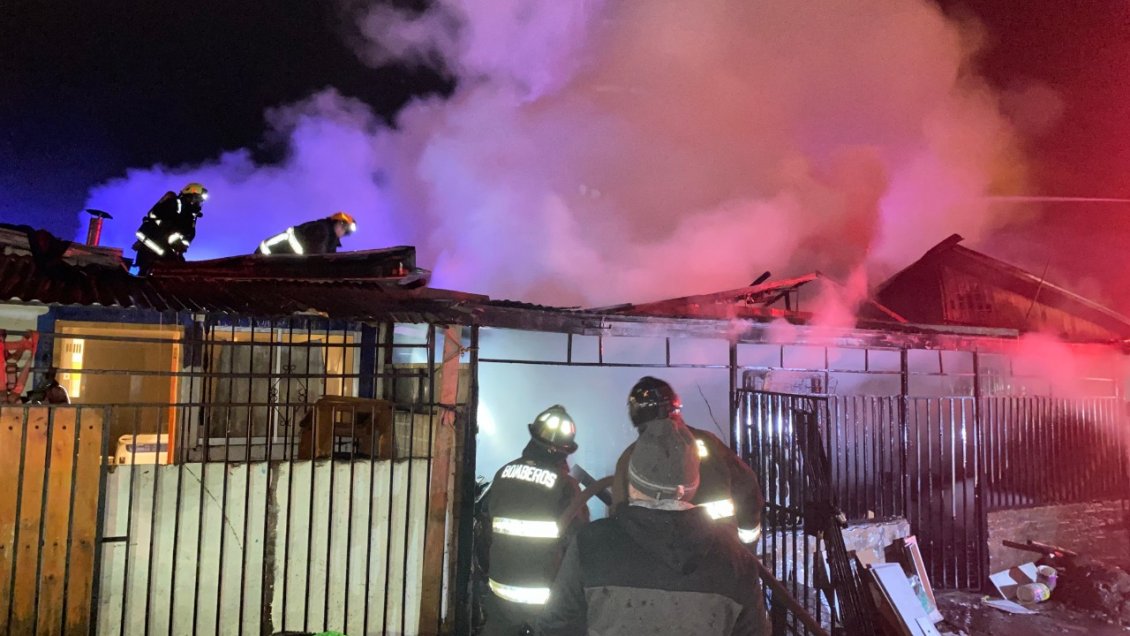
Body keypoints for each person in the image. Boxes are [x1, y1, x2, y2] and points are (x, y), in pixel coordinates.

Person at [538, 418, 769, 635]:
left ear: (632, 481)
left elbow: (555, 627)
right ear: (692, 486)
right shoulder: (737, 563)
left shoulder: (589, 545)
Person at [611, 376, 764, 546]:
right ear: (676, 408)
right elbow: (747, 486)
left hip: (664, 561)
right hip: (721, 552)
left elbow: (620, 513)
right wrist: (745, 547)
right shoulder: (710, 443)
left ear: (635, 415)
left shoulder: (632, 458)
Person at [478, 405, 588, 635]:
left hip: (499, 607)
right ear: (564, 451)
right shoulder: (565, 486)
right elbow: (581, 544)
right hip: (544, 613)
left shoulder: (503, 473)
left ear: (534, 436)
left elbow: (484, 526)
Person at [132, 182, 207, 275]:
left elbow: (185, 236)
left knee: (177, 271)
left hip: (165, 249)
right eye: (198, 199)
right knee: (144, 274)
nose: (198, 203)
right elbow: (156, 217)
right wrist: (172, 235)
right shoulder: (173, 204)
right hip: (152, 244)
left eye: (200, 201)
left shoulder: (190, 216)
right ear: (190, 196)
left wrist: (180, 248)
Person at [256, 211, 356, 255]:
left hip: (280, 260)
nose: (342, 231)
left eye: (345, 230)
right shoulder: (321, 229)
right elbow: (316, 259)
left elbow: (329, 260)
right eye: (342, 226)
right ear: (335, 222)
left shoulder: (331, 242)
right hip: (266, 254)